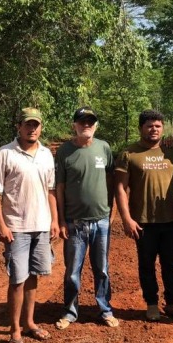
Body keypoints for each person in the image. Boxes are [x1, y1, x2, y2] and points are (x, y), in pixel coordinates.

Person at [0, 107, 59, 343]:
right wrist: (0, 224)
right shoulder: (5, 154)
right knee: (17, 279)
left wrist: (54, 220)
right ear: (19, 126)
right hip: (16, 227)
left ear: (41, 127)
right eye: (28, 124)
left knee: (33, 276)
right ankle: (15, 329)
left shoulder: (47, 155)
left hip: (41, 226)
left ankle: (29, 322)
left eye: (36, 125)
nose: (32, 129)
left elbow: (50, 191)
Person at [114, 109, 173, 321]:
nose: (154, 129)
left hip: (170, 220)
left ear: (163, 128)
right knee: (146, 264)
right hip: (143, 222)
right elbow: (120, 189)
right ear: (141, 128)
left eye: (158, 126)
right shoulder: (128, 153)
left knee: (171, 264)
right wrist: (126, 219)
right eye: (149, 126)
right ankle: (151, 304)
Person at [54, 106, 118, 330]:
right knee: (72, 270)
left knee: (102, 268)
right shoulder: (64, 152)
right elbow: (59, 187)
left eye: (90, 121)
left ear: (96, 125)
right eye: (82, 121)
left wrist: (113, 212)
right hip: (74, 222)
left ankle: (105, 309)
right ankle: (70, 311)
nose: (86, 125)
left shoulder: (104, 148)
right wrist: (61, 220)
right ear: (75, 125)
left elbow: (112, 181)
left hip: (101, 221)